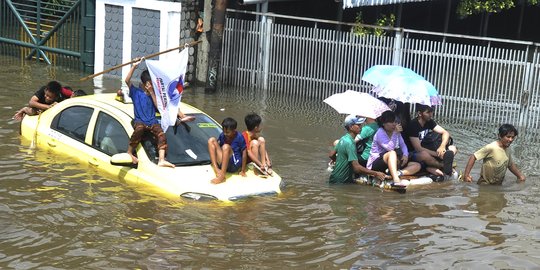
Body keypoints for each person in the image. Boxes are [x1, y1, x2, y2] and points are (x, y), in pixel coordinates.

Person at [124, 58, 174, 168]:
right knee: (139, 130)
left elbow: (159, 107)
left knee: (161, 134)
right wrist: (134, 66)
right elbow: (127, 80)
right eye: (151, 83)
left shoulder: (154, 95)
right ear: (146, 83)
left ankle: (161, 159)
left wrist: (151, 92)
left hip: (152, 121)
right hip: (140, 121)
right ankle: (129, 151)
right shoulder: (136, 92)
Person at [329, 115, 387, 184]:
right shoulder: (351, 144)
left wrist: (339, 161)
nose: (361, 127)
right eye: (358, 125)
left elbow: (331, 155)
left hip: (333, 178)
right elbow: (357, 168)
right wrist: (376, 173)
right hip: (342, 182)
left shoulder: (343, 138)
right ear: (351, 127)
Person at [367, 111, 421, 186]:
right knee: (392, 153)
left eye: (395, 122)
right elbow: (390, 148)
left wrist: (405, 155)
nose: (394, 124)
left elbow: (403, 145)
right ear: (383, 124)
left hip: (393, 161)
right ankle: (396, 179)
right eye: (391, 122)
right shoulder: (380, 133)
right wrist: (395, 133)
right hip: (377, 162)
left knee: (417, 165)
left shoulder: (396, 132)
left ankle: (397, 173)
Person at [405, 104, 457, 177]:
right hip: (415, 154)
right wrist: (438, 154)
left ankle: (438, 165)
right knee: (424, 155)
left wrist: (442, 147)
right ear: (419, 113)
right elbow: (418, 148)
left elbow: (445, 132)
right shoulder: (413, 125)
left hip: (429, 149)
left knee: (453, 148)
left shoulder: (429, 122)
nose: (431, 114)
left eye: (432, 112)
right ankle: (442, 166)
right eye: (428, 112)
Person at [208, 117, 247, 184]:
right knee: (211, 140)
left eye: (228, 132)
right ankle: (216, 169)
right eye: (224, 131)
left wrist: (243, 170)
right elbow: (217, 148)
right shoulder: (222, 135)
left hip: (234, 165)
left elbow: (244, 153)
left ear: (234, 131)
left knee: (226, 147)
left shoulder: (239, 137)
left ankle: (222, 176)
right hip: (224, 162)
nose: (225, 134)